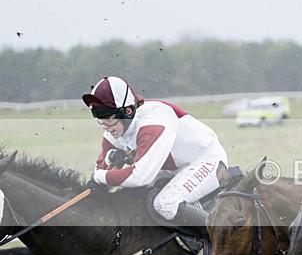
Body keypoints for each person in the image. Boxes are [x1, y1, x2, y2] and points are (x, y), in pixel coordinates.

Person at [82, 76, 228, 227]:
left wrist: (100, 177)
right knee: (135, 198)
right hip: (169, 168)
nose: (106, 127)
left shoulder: (153, 122)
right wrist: (102, 173)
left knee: (165, 204)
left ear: (128, 111)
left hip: (206, 161)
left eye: (109, 119)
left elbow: (139, 177)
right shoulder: (114, 130)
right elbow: (102, 173)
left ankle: (220, 239)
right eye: (100, 121)